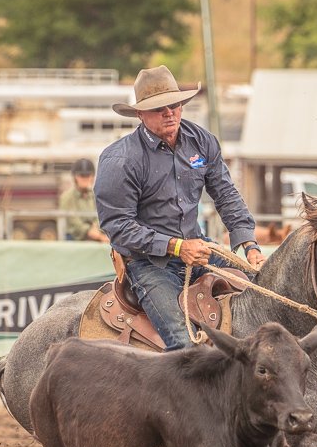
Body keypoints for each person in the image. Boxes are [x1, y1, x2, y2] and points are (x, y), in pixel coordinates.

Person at [95, 65, 264, 351]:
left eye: (174, 105)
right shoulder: (120, 160)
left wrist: (249, 244)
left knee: (264, 296)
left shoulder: (202, 141)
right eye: (158, 108)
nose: (169, 113)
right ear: (140, 114)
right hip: (149, 263)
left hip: (198, 249)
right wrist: (176, 246)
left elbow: (225, 194)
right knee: (185, 345)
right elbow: (118, 227)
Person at [60, 158, 108, 242]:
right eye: (82, 176)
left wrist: (96, 227)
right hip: (75, 238)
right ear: (75, 177)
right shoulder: (67, 197)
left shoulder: (95, 195)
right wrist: (91, 232)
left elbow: (100, 214)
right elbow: (74, 222)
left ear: (92, 177)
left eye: (88, 175)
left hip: (95, 235)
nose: (85, 179)